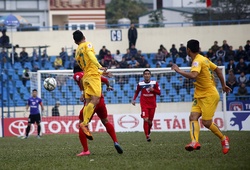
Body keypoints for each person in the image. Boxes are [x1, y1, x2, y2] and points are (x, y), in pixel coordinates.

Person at [171, 39, 231, 154]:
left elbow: (193, 75)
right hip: (200, 94)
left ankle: (224, 139)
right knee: (193, 117)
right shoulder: (204, 59)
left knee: (206, 122)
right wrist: (223, 85)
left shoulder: (197, 61)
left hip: (209, 95)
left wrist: (178, 70)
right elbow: (217, 70)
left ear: (188, 50)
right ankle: (194, 142)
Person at [73, 65, 123, 156]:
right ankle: (116, 142)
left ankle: (85, 150)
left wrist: (83, 93)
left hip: (91, 103)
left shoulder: (78, 74)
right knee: (105, 121)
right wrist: (108, 86)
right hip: (101, 100)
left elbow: (80, 77)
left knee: (81, 123)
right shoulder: (93, 74)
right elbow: (106, 80)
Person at [73, 30, 107, 140]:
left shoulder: (77, 51)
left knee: (88, 101)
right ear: (84, 37)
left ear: (75, 41)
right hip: (92, 75)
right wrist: (99, 66)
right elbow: (91, 55)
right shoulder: (87, 44)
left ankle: (85, 123)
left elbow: (84, 64)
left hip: (86, 76)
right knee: (96, 99)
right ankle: (85, 123)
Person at [132, 69, 161, 142]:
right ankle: (147, 136)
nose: (147, 75)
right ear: (143, 75)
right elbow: (137, 92)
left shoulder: (154, 83)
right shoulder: (140, 84)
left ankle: (148, 131)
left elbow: (159, 93)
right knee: (145, 119)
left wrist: (153, 90)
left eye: (148, 74)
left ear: (150, 75)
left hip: (152, 105)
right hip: (144, 104)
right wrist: (134, 99)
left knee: (150, 122)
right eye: (145, 74)